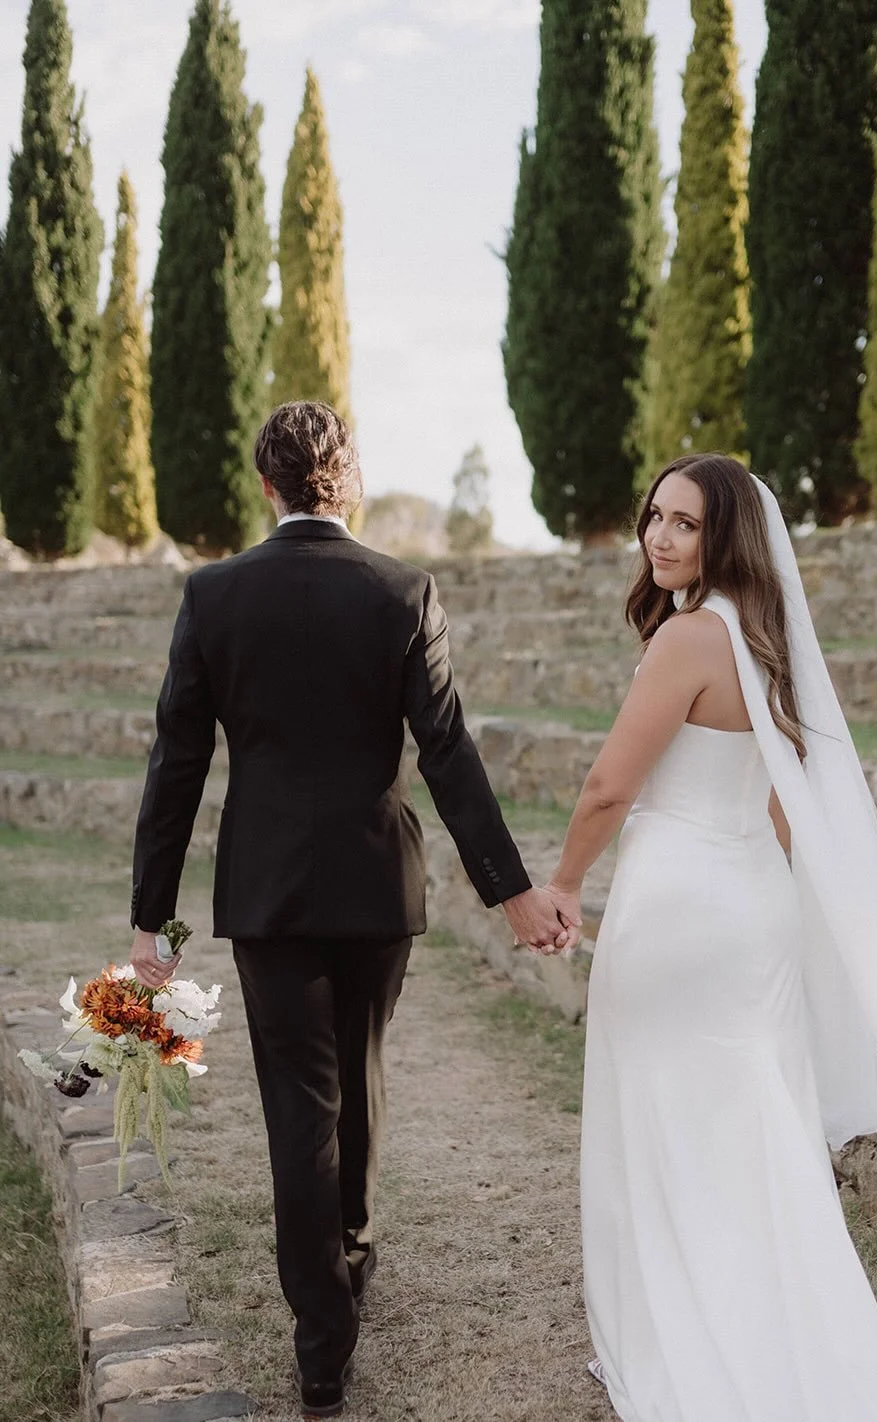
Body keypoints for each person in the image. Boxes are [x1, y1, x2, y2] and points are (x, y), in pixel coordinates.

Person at [539, 454, 877, 1422]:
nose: (658, 536)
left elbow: (607, 787)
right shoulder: (767, 637)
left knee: (660, 1124)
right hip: (752, 911)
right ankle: (791, 1335)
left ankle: (680, 1339)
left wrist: (565, 881)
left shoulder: (686, 640)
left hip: (674, 910)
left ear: (725, 535)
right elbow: (790, 812)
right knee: (756, 1137)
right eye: (653, 516)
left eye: (684, 523)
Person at [127, 402, 571, 1420]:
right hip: (376, 884)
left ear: (266, 485)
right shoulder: (401, 591)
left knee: (301, 1105)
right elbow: (448, 753)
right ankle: (350, 1256)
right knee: (357, 1079)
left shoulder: (214, 595)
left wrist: (152, 918)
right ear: (347, 480)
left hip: (269, 892)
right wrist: (508, 891)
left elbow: (176, 763)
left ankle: (321, 1342)